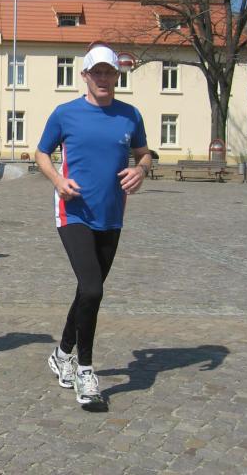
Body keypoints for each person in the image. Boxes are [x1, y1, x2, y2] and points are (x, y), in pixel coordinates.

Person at [35, 43, 152, 407]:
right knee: (92, 289)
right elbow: (41, 153)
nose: (103, 78)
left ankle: (61, 353)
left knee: (89, 290)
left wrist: (141, 170)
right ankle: (85, 371)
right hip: (73, 212)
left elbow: (144, 154)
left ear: (117, 76)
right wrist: (58, 181)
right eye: (97, 72)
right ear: (84, 75)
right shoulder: (65, 113)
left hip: (111, 215)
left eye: (109, 72)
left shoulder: (130, 115)